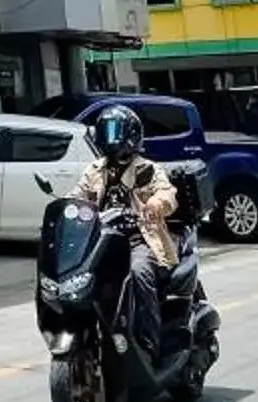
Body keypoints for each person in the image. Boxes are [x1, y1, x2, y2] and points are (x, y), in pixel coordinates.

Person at [76, 105, 181, 358]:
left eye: (117, 132)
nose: (111, 139)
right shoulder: (94, 171)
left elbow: (168, 193)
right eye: (107, 132)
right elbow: (77, 196)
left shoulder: (148, 169)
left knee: (139, 273)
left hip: (138, 240)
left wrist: (157, 203)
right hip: (100, 243)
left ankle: (148, 345)